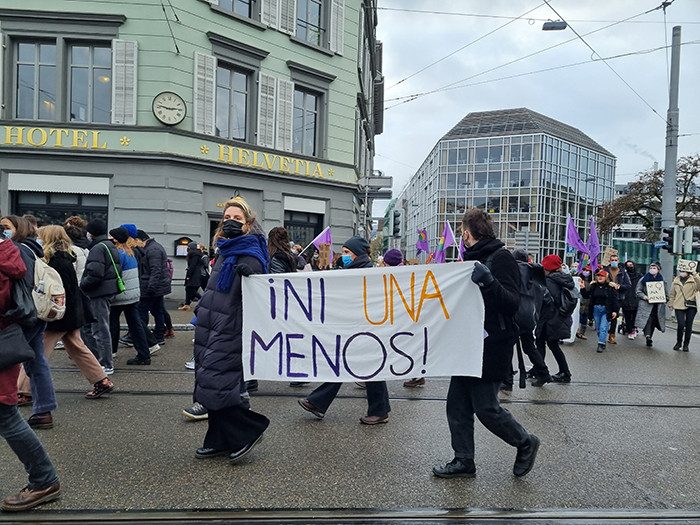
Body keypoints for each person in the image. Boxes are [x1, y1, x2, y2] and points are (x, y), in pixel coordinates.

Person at [433, 208, 539, 479]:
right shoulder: (468, 259)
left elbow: (511, 303)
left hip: (493, 344)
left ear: (467, 233)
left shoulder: (500, 258)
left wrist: (489, 283)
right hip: (467, 341)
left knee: (486, 407)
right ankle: (463, 460)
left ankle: (525, 441)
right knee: (456, 404)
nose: (461, 237)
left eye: (462, 232)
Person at [191, 197, 270, 463]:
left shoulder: (252, 251)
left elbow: (263, 291)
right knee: (209, 382)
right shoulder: (224, 248)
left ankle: (249, 429)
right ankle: (218, 440)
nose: (231, 222)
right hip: (211, 323)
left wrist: (253, 278)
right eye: (227, 218)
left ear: (248, 224)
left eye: (237, 219)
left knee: (217, 383)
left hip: (232, 326)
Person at [298, 236, 392, 425]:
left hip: (364, 327)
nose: (345, 256)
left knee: (359, 365)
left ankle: (319, 402)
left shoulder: (365, 272)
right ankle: (319, 402)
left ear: (357, 253)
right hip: (354, 326)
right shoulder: (352, 270)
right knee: (355, 364)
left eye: (348, 252)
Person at [16, 226, 114, 400]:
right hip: (70, 312)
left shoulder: (54, 261)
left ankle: (24, 391)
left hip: (57, 315)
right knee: (77, 347)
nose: (38, 238)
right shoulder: (65, 257)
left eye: (41, 236)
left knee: (37, 352)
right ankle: (101, 380)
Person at [0, 234, 61, 512]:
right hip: (18, 331)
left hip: (8, 339)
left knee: (7, 415)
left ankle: (44, 478)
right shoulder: (13, 252)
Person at [1, 215, 57, 429]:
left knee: (9, 358)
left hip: (22, 313)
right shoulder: (34, 248)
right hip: (36, 312)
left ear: (20, 229)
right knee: (37, 361)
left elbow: (16, 282)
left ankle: (10, 414)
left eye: (6, 227)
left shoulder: (15, 249)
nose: (3, 231)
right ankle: (44, 410)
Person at [80, 219, 122, 375]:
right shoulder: (109, 245)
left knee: (99, 329)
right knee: (98, 327)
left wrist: (83, 285)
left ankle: (105, 363)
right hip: (106, 290)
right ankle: (99, 360)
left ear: (91, 232)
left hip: (98, 292)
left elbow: (95, 273)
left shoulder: (98, 248)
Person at [108, 227, 151, 366]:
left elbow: (113, 273)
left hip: (121, 294)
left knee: (112, 322)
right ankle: (144, 353)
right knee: (135, 324)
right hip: (132, 294)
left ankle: (111, 350)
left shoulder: (118, 253)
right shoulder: (130, 252)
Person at [509, 249, 552, 388]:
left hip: (514, 313)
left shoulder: (513, 271)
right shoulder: (535, 273)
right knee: (529, 346)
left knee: (506, 346)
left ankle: (507, 378)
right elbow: (547, 298)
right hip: (529, 315)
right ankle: (544, 372)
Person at [535, 254, 575, 383]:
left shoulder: (549, 281)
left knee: (541, 344)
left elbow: (545, 300)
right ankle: (564, 372)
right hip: (559, 317)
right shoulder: (564, 279)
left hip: (549, 318)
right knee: (553, 345)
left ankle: (541, 372)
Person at [134, 229, 172, 342]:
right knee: (157, 310)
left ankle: (147, 335)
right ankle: (159, 334)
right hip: (157, 286)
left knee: (143, 310)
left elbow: (155, 270)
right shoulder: (154, 247)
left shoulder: (152, 249)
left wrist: (151, 287)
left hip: (152, 286)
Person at [580, 269, 619, 353]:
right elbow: (587, 296)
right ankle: (602, 339)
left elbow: (615, 300)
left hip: (606, 309)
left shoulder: (610, 288)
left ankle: (600, 344)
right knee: (598, 328)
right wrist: (583, 289)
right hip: (596, 309)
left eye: (602, 276)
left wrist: (615, 311)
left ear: (606, 278)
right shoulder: (593, 286)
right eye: (598, 276)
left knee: (603, 327)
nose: (600, 277)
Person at [635, 262, 667, 347]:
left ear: (658, 270)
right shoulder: (643, 279)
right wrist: (645, 297)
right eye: (651, 268)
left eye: (654, 268)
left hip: (657, 305)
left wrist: (665, 299)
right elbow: (638, 291)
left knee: (653, 321)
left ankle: (649, 336)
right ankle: (648, 337)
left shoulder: (662, 280)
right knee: (647, 320)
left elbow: (665, 293)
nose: (652, 270)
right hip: (646, 304)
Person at [668, 267, 700, 352]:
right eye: (681, 271)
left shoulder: (693, 280)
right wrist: (670, 304)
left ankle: (686, 344)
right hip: (679, 304)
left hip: (691, 305)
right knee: (681, 324)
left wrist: (695, 275)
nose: (682, 273)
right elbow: (672, 294)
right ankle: (678, 342)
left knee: (689, 325)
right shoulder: (676, 281)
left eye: (684, 271)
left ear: (688, 272)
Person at [603, 254, 630, 344]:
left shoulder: (623, 272)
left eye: (615, 260)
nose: (614, 262)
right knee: (605, 314)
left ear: (618, 261)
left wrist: (620, 286)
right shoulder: (605, 271)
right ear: (609, 261)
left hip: (618, 297)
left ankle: (612, 335)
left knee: (614, 316)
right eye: (612, 260)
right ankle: (603, 331)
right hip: (606, 296)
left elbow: (628, 285)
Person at [178, 242, 205, 311]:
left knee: (191, 290)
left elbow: (192, 266)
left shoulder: (195, 255)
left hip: (194, 274)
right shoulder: (196, 254)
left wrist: (189, 275)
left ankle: (203, 300)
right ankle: (187, 305)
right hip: (195, 274)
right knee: (188, 289)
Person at [622, 260, 642, 339]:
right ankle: (630, 330)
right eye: (628, 265)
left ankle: (634, 328)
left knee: (635, 316)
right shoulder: (624, 276)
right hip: (626, 298)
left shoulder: (639, 276)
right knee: (627, 316)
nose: (630, 266)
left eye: (631, 265)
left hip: (635, 298)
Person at [575, 265, 592, 340]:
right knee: (579, 316)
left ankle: (582, 332)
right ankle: (577, 330)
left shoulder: (592, 281)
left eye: (587, 270)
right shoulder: (579, 279)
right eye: (584, 270)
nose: (586, 272)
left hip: (588, 302)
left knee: (585, 317)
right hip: (580, 300)